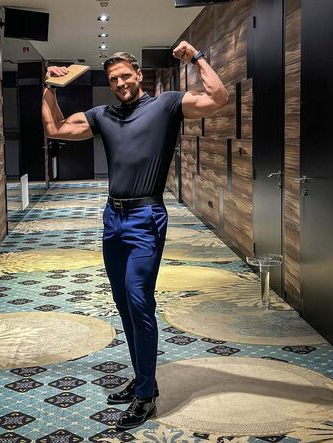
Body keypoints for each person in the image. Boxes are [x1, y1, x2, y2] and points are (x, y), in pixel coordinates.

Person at [42, 40, 228, 431]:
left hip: (146, 217)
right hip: (113, 218)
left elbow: (217, 98)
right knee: (124, 303)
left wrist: (196, 58)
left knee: (139, 300)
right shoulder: (103, 115)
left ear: (139, 75)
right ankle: (144, 378)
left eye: (126, 75)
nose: (121, 83)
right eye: (114, 79)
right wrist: (50, 88)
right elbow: (55, 128)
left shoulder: (166, 105)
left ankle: (145, 395)